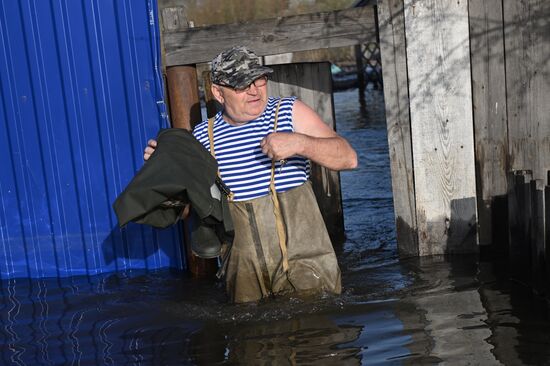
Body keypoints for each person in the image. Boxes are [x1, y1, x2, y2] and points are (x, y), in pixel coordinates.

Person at [144, 46, 357, 303]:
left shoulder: (289, 112)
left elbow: (348, 157)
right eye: (241, 84)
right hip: (246, 279)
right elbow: (185, 210)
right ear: (217, 92)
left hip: (309, 270)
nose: (255, 89)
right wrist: (163, 172)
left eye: (259, 79)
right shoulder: (201, 139)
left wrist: (301, 143)